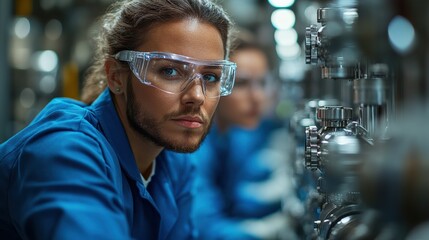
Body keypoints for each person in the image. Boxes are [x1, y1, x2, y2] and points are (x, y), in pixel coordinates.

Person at [0, 0, 236, 239]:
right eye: (170, 71)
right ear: (116, 77)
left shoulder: (174, 163)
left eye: (210, 77)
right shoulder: (64, 151)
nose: (197, 96)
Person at [192, 33, 289, 239]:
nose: (257, 97)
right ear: (212, 84)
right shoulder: (193, 148)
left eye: (262, 83)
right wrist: (266, 233)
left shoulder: (229, 136)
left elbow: (234, 199)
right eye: (242, 84)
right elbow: (205, 229)